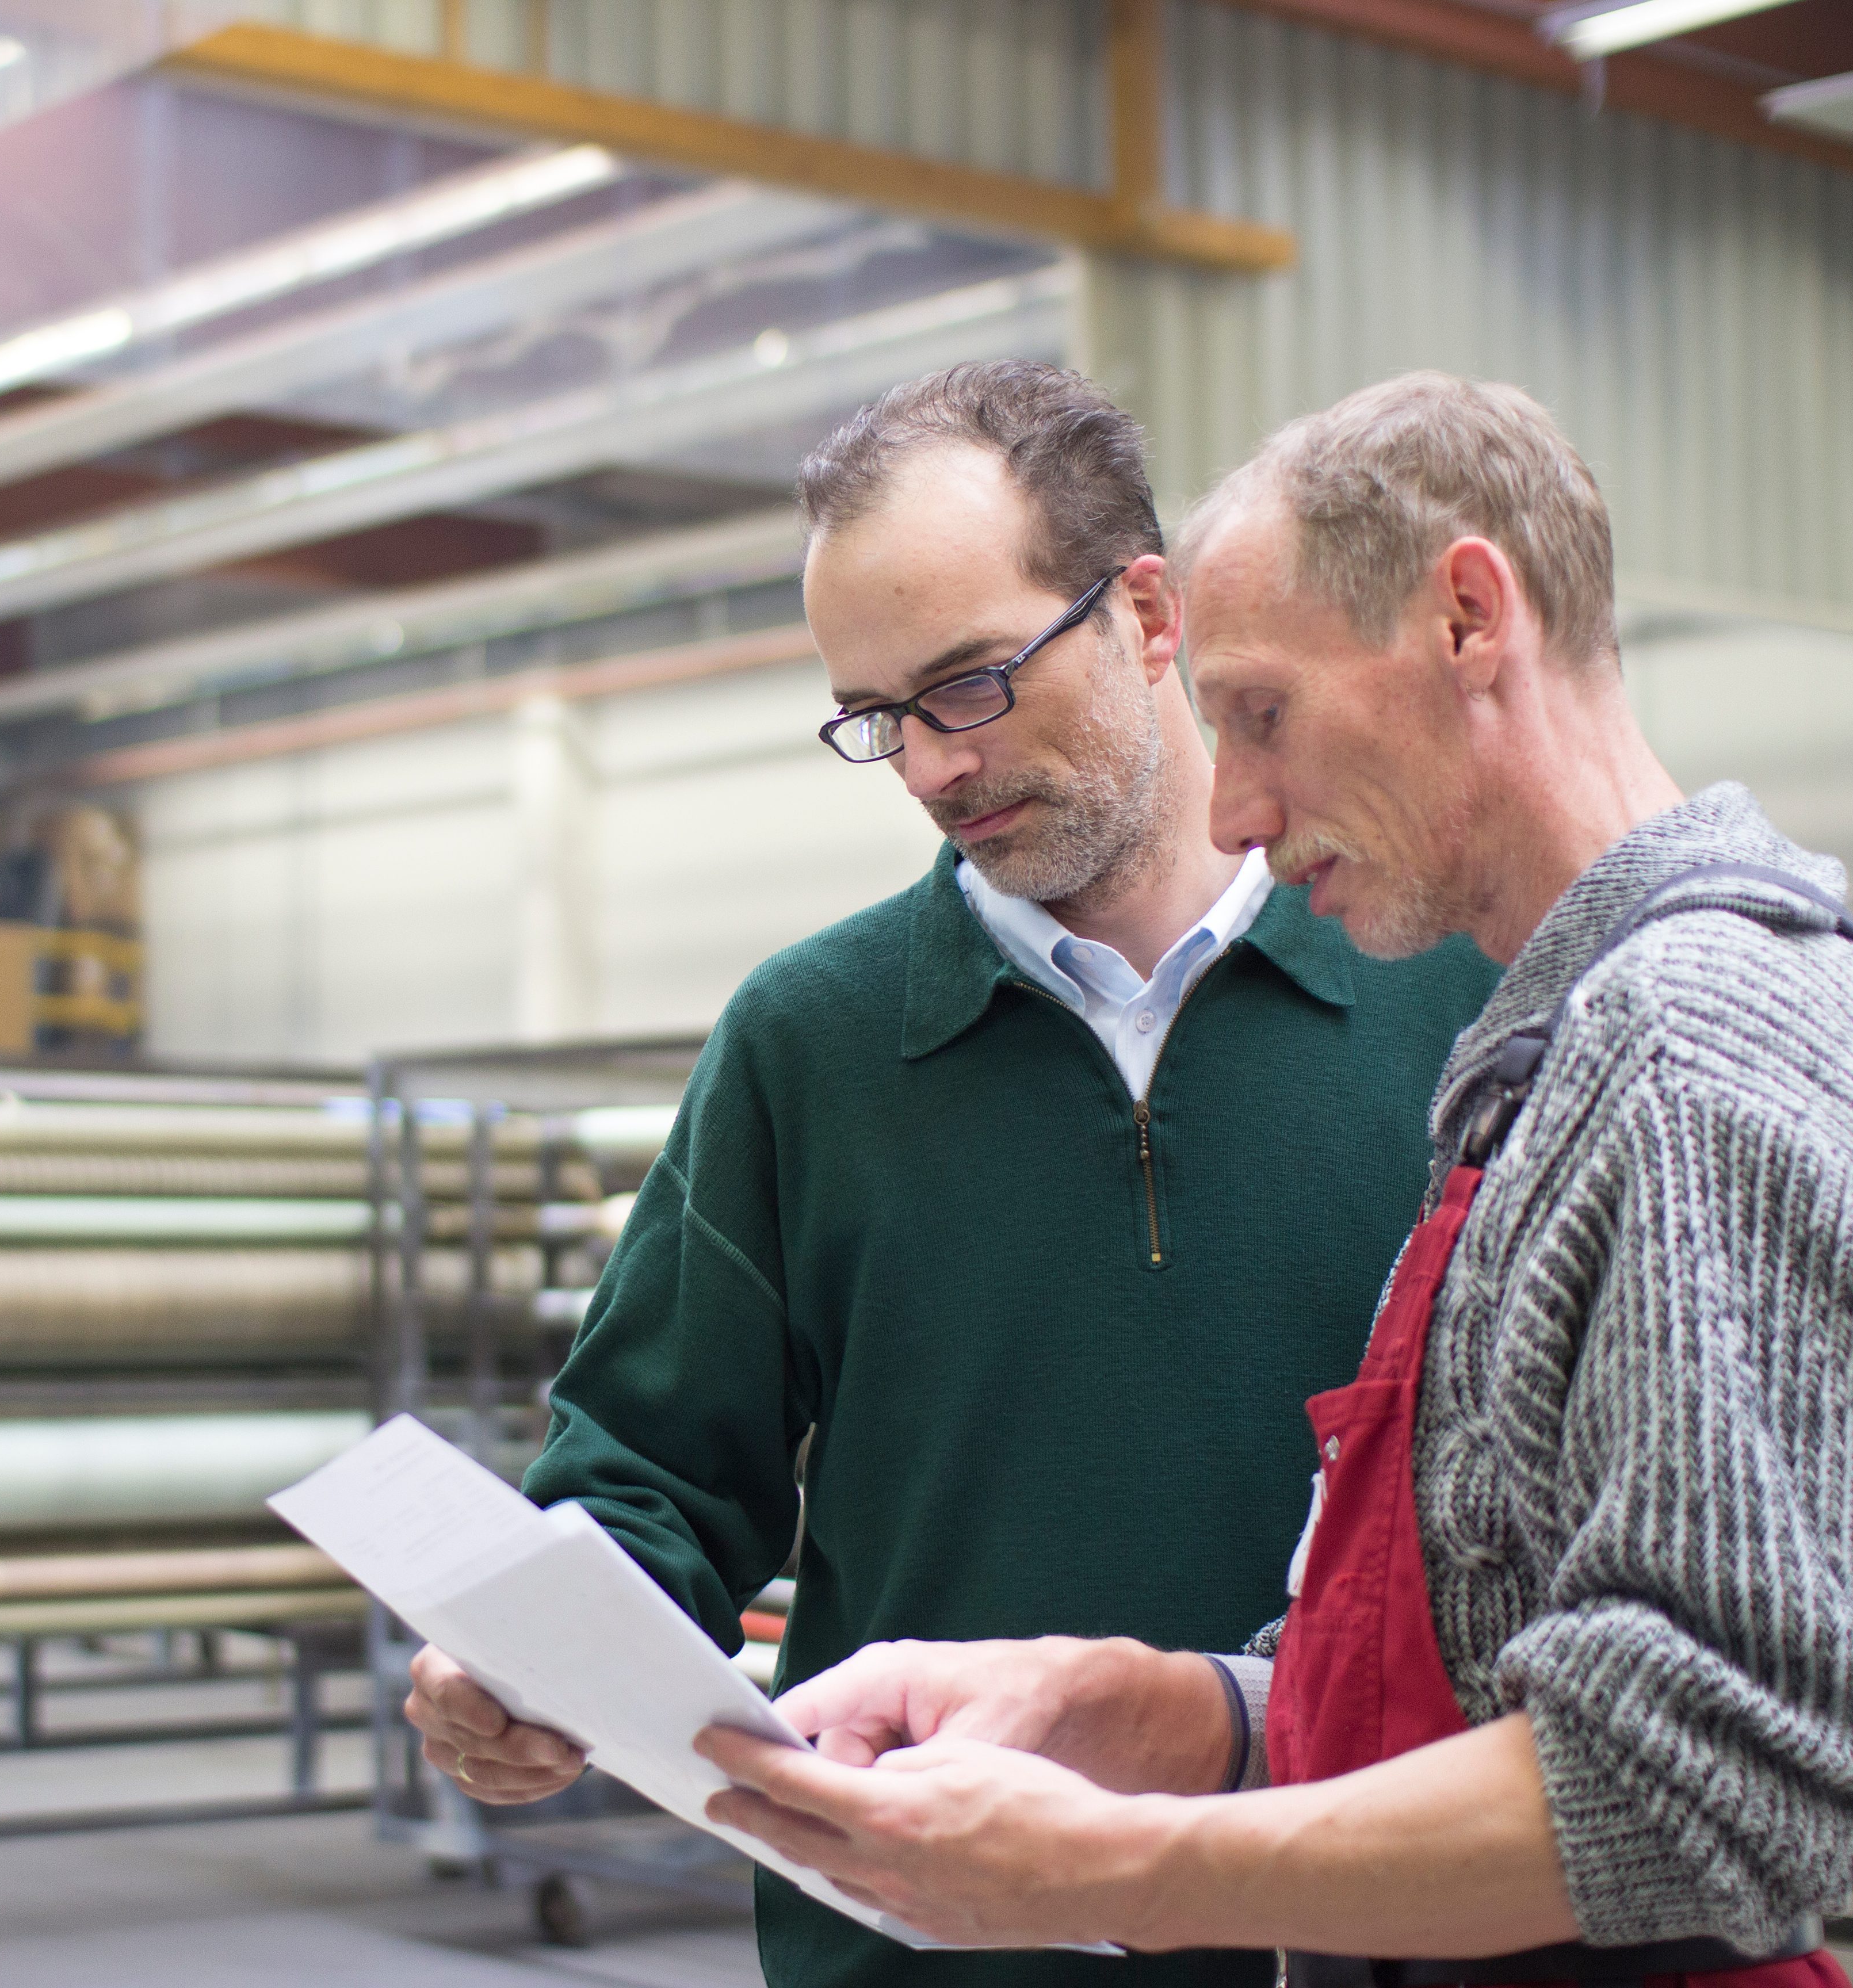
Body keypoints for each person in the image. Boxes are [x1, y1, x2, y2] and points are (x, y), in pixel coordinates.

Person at [696, 373, 1853, 1986]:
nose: (1233, 803)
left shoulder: (1694, 1047)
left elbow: (1718, 1770)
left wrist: (1118, 1866)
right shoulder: (1561, 1050)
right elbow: (1476, 1681)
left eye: (1267, 713)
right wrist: (1127, 1709)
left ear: (1466, 619)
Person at [404, 360, 1498, 1988]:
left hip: (1360, 1931)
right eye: (875, 718)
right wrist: (528, 1657)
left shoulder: (1451, 989)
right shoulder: (809, 1044)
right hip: (924, 1951)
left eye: (968, 685)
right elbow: (647, 1468)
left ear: (1147, 615)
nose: (927, 768)